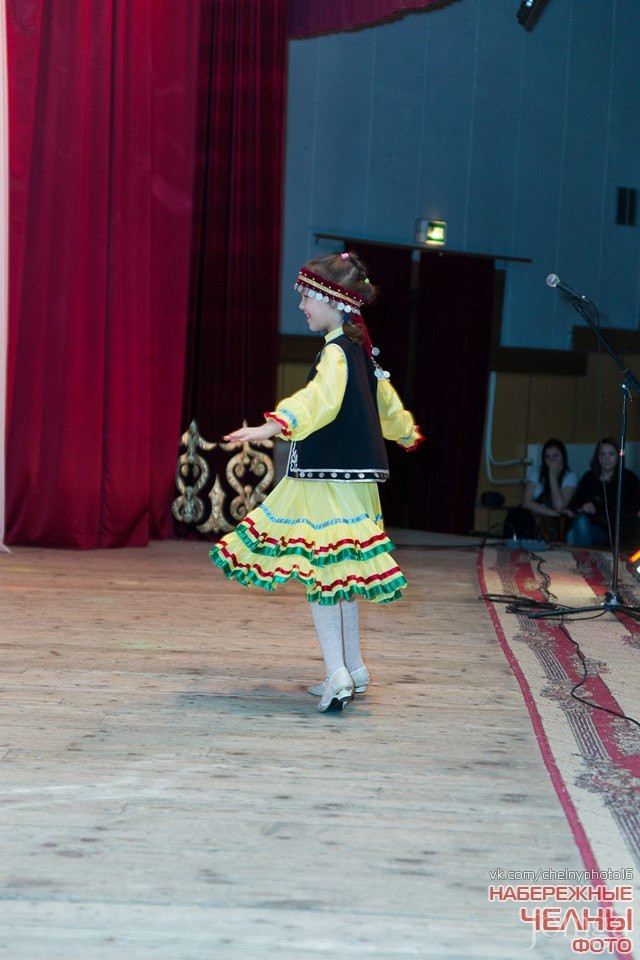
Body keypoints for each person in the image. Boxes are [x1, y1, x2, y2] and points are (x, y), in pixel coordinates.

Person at [209, 251, 422, 713]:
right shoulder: (361, 350)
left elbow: (319, 400)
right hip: (354, 483)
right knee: (338, 572)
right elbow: (384, 403)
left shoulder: (337, 352)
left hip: (325, 480)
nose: (302, 305)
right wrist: (404, 431)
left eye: (308, 297)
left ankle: (337, 674)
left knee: (322, 575)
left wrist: (273, 424)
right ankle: (354, 666)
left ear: (333, 300)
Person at [566, 438, 640, 548]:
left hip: (616, 531)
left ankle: (584, 559)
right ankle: (586, 559)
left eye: (611, 454)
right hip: (591, 527)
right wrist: (584, 506)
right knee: (579, 524)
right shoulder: (589, 478)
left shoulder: (628, 478)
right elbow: (573, 505)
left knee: (572, 536)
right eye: (602, 454)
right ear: (597, 457)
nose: (606, 458)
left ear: (618, 456)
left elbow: (632, 507)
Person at [505, 438, 577, 540]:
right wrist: (554, 513)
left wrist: (552, 475)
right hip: (533, 514)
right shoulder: (536, 471)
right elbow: (526, 502)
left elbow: (559, 506)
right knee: (519, 516)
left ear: (563, 456)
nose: (552, 461)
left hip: (551, 521)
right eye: (548, 457)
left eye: (556, 456)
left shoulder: (571, 476)